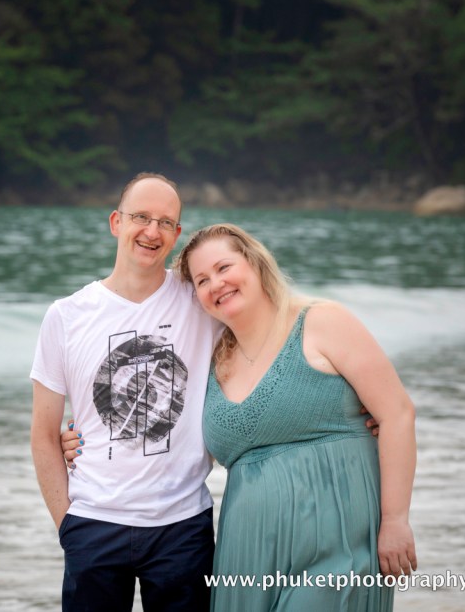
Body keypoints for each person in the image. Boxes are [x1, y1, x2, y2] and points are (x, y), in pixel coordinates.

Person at [173, 223, 417, 611]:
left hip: (336, 539)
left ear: (254, 262)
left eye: (223, 268)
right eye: (202, 280)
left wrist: (395, 520)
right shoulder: (211, 360)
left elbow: (397, 414)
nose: (215, 284)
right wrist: (78, 442)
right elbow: (167, 435)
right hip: (246, 553)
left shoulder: (321, 322)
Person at [29, 173, 224, 611]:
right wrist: (68, 526)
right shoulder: (66, 316)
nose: (151, 232)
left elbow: (272, 334)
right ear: (116, 222)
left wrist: (346, 396)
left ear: (176, 235)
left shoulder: (202, 300)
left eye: (165, 222)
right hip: (94, 522)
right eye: (141, 217)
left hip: (183, 525)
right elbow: (43, 434)